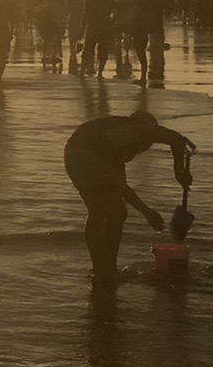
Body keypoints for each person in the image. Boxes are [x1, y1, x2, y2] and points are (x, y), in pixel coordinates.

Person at [64, 112, 195, 282]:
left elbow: (119, 186)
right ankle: (109, 270)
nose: (143, 149)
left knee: (97, 211)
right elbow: (176, 139)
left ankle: (99, 269)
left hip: (71, 154)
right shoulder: (142, 128)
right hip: (89, 154)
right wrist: (179, 172)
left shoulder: (115, 142)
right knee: (117, 213)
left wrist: (147, 212)